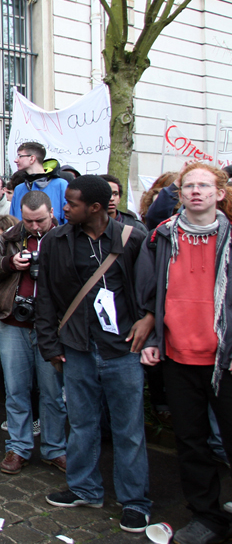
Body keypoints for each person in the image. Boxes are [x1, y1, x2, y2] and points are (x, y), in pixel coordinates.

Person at [34, 175, 151, 533]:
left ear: (95, 208)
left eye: (71, 203)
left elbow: (150, 290)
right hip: (77, 347)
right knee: (82, 423)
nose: (64, 207)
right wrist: (50, 345)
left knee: (129, 429)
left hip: (122, 349)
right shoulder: (56, 240)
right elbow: (47, 297)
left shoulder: (134, 239)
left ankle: (135, 501)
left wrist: (148, 320)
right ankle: (85, 488)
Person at [137, 163, 232, 544]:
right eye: (188, 186)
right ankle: (206, 517)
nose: (195, 191)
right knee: (191, 443)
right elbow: (149, 294)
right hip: (178, 356)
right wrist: (153, 339)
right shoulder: (161, 237)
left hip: (225, 360)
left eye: (204, 186)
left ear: (220, 194)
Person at [0, 190, 67, 475]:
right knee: (15, 390)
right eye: (29, 221)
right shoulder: (10, 237)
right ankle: (18, 447)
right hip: (13, 323)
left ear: (51, 213)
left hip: (50, 328)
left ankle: (55, 449)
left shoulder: (64, 237)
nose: (35, 226)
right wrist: (10, 263)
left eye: (40, 220)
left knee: (52, 393)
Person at [9, 142, 69, 223]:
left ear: (32, 158)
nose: (16, 160)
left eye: (20, 156)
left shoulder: (60, 185)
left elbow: (68, 222)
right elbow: (13, 223)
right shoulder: (19, 189)